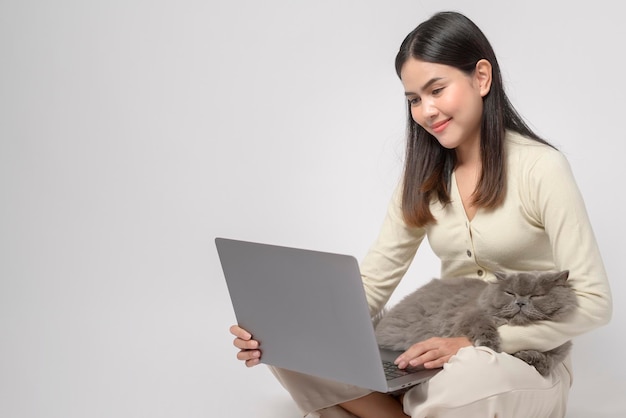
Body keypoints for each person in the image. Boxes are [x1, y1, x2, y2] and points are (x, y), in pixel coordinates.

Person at [229, 10, 612, 418]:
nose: (426, 110)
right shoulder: (422, 179)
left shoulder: (542, 168)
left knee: (468, 375)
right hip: (434, 347)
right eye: (414, 99)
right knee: (295, 353)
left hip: (519, 360)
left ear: (481, 78)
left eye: (437, 90)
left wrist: (474, 343)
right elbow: (373, 284)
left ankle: (380, 408)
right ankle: (407, 405)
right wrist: (286, 333)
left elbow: (595, 303)